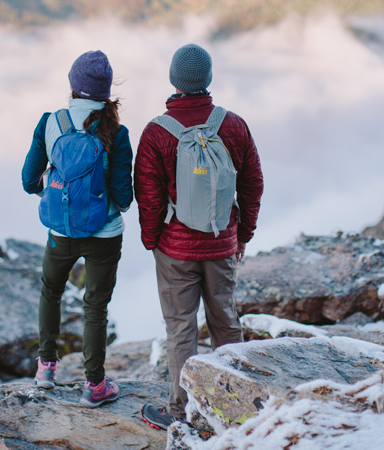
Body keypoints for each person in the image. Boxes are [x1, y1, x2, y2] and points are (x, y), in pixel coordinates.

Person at [135, 43, 263, 429]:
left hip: (175, 247)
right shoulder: (233, 125)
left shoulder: (157, 132)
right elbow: (252, 183)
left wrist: (152, 239)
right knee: (225, 322)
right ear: (207, 80)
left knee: (180, 328)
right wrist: (242, 234)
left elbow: (149, 195)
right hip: (221, 242)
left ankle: (181, 411)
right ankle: (234, 404)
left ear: (174, 80)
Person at [21, 50, 133, 408]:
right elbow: (124, 196)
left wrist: (55, 189)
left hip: (62, 230)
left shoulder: (50, 122)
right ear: (105, 91)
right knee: (95, 307)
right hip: (105, 234)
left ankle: (45, 370)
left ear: (73, 85)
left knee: (50, 290)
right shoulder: (117, 130)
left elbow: (28, 181)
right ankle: (94, 386)